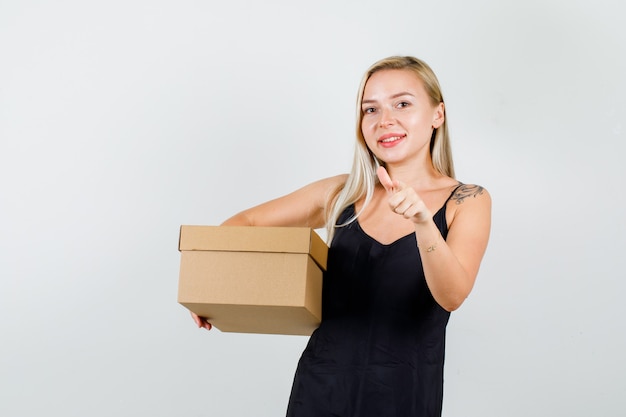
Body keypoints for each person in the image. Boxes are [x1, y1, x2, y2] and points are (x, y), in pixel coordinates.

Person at [191, 56, 491, 417]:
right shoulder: (343, 193)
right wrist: (213, 291)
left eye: (403, 103)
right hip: (320, 389)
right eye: (370, 109)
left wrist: (422, 222)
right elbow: (246, 224)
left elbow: (452, 295)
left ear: (437, 115)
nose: (385, 121)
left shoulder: (468, 200)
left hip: (404, 396)